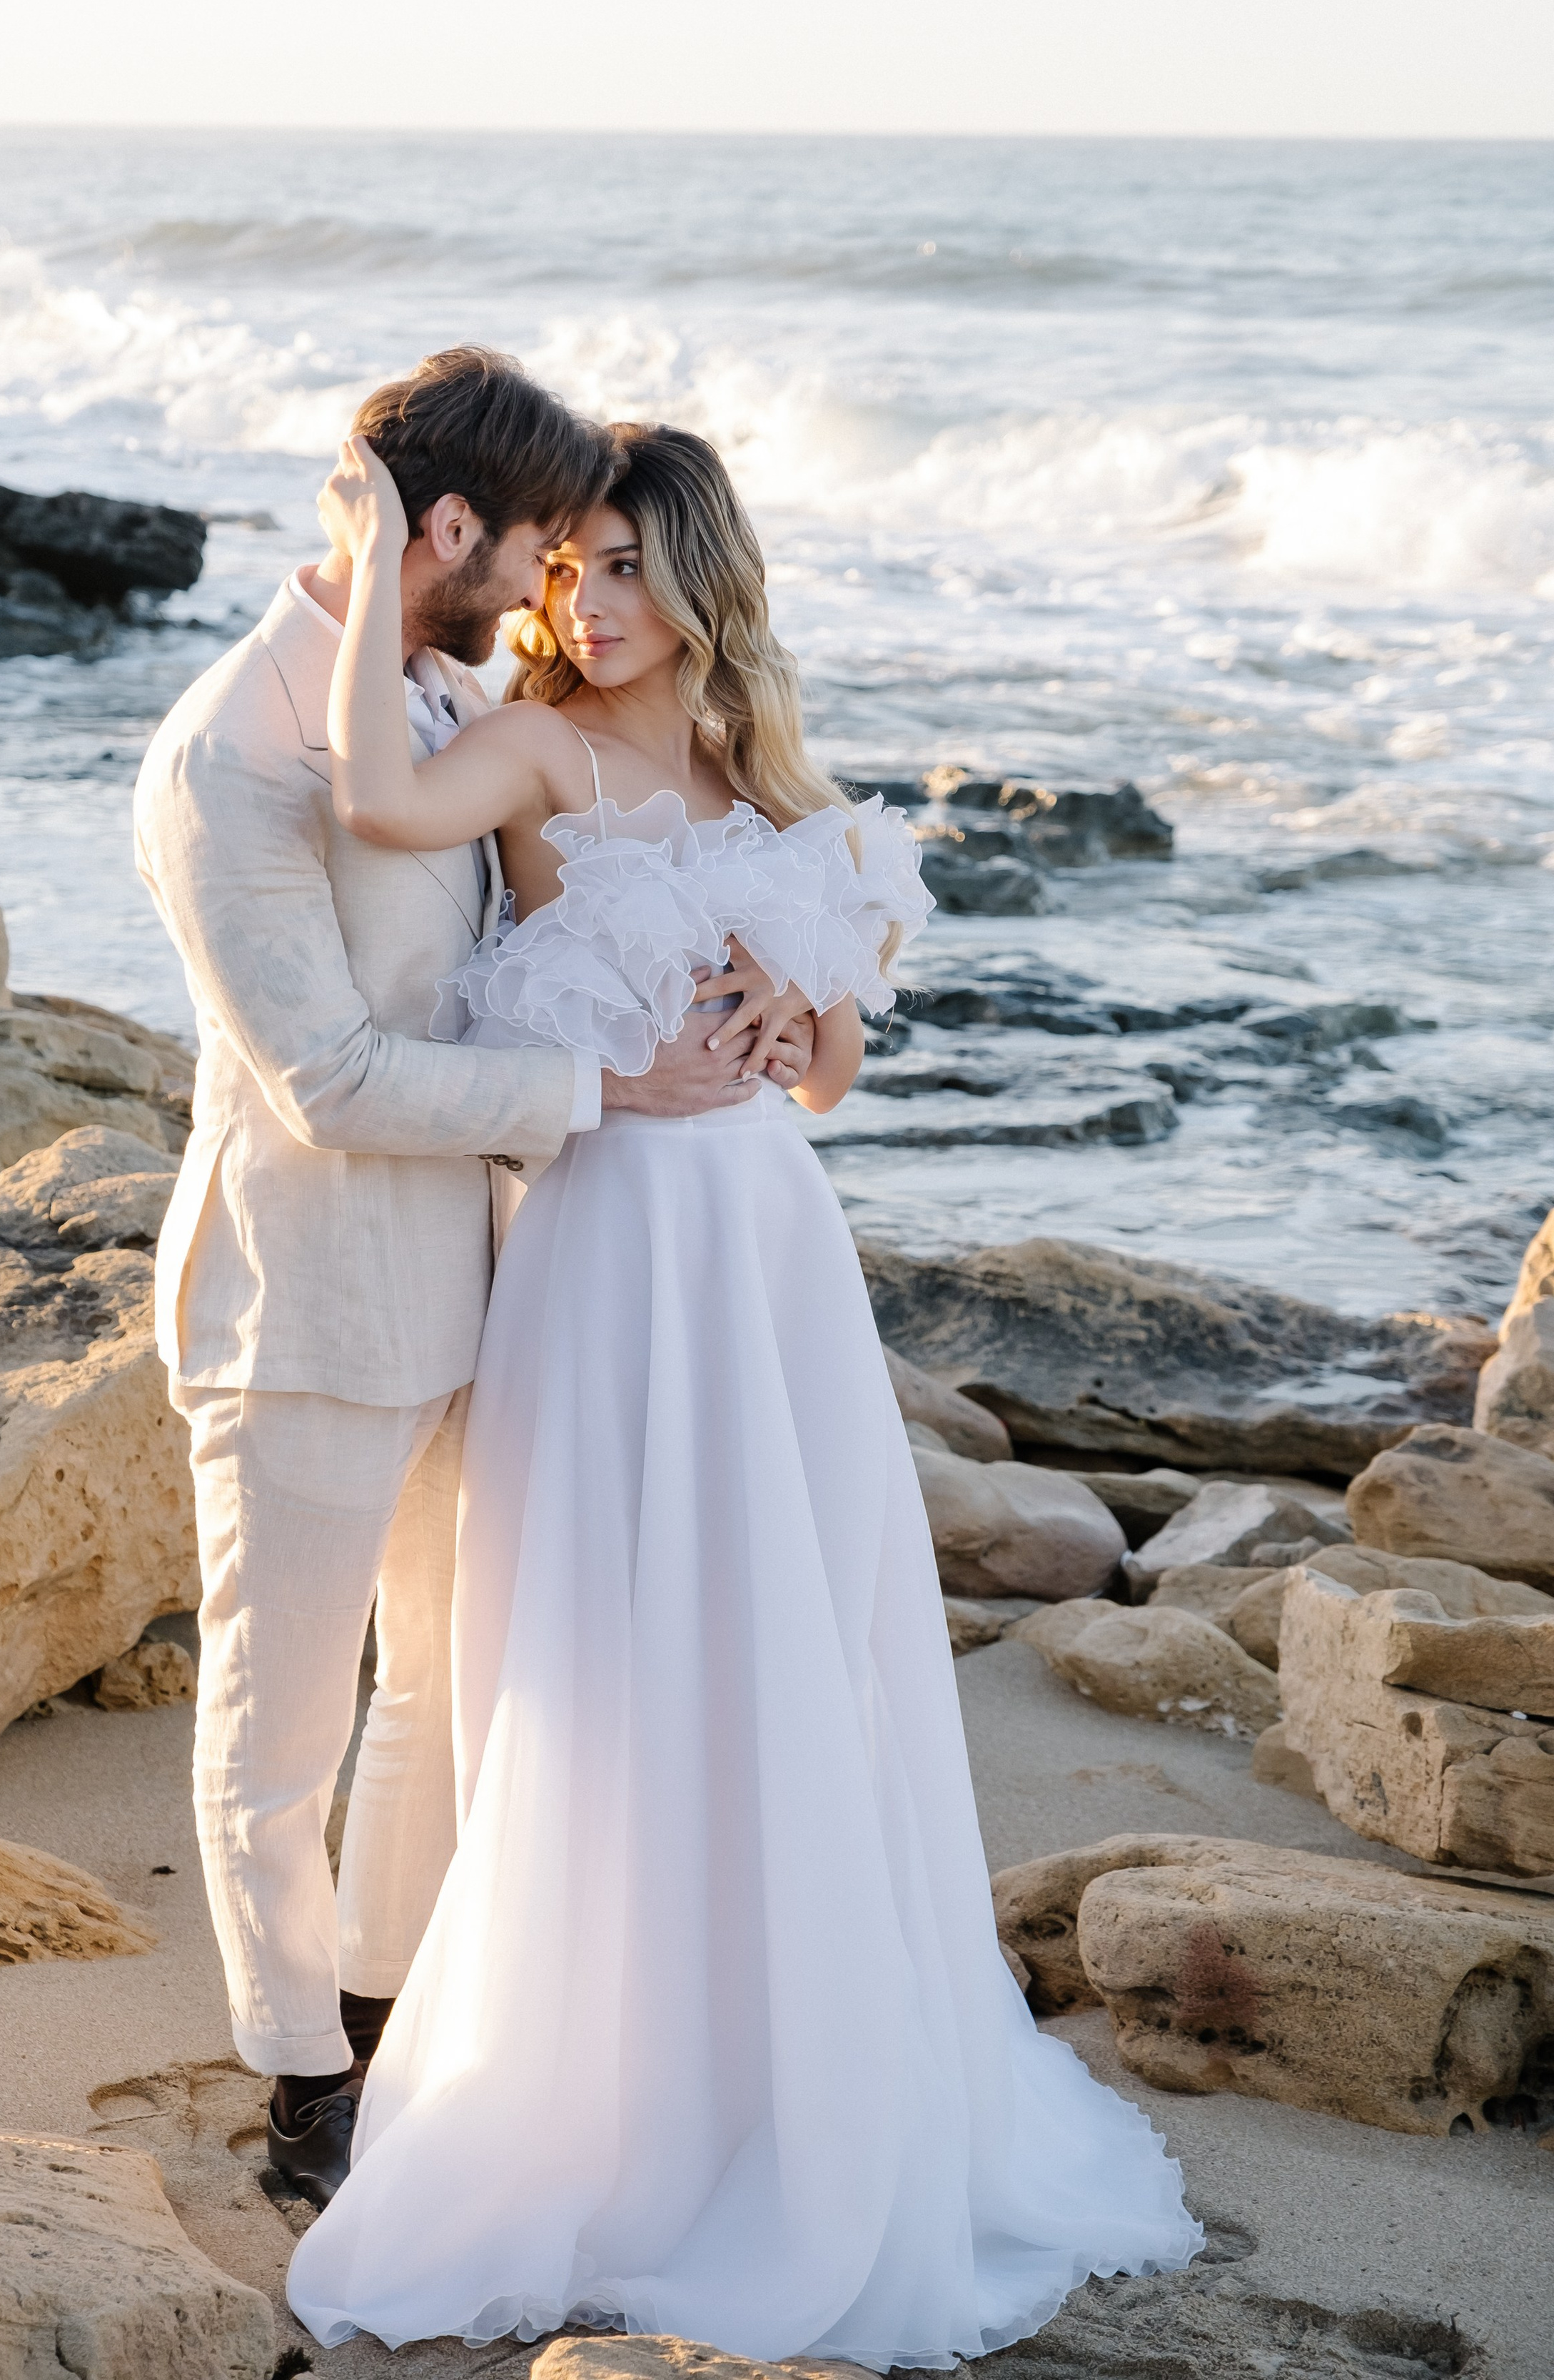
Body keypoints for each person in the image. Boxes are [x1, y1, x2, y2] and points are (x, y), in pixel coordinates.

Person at [285, 422, 1201, 2368]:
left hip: (770, 1256)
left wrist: (799, 1013)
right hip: (611, 1253)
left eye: (624, 565)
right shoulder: (537, 753)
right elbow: (372, 797)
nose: (587, 600)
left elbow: (834, 1071)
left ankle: (798, 2081)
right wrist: (370, 560)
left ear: (703, 580)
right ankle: (618, 2102)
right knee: (610, 1656)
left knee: (791, 1644)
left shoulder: (771, 777)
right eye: (568, 568)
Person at [133, 350, 806, 2212]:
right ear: (447, 530)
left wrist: (765, 975)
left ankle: (388, 2006)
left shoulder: (442, 698)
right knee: (279, 1727)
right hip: (309, 1302)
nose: (548, 592)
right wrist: (611, 1092)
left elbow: (570, 920)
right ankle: (299, 2080)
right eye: (535, 552)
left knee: (438, 1691)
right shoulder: (229, 754)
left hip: (496, 1289)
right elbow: (330, 1080)